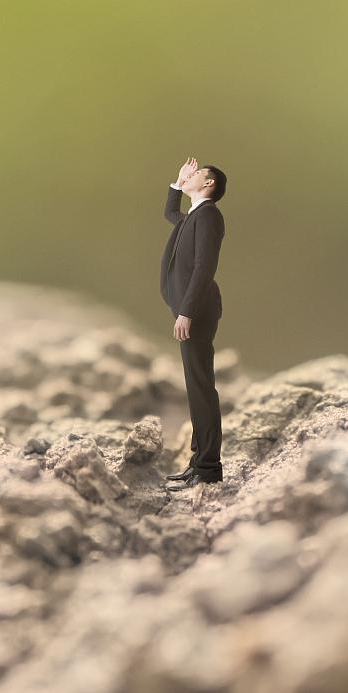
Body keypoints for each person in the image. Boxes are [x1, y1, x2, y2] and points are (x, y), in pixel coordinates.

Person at [160, 155, 228, 488]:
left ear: (209, 184)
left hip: (197, 312)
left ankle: (208, 467)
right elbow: (171, 214)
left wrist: (186, 311)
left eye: (196, 173)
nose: (190, 174)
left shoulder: (210, 217)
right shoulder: (193, 217)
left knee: (201, 387)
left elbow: (204, 267)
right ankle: (197, 460)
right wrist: (177, 183)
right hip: (188, 309)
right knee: (195, 387)